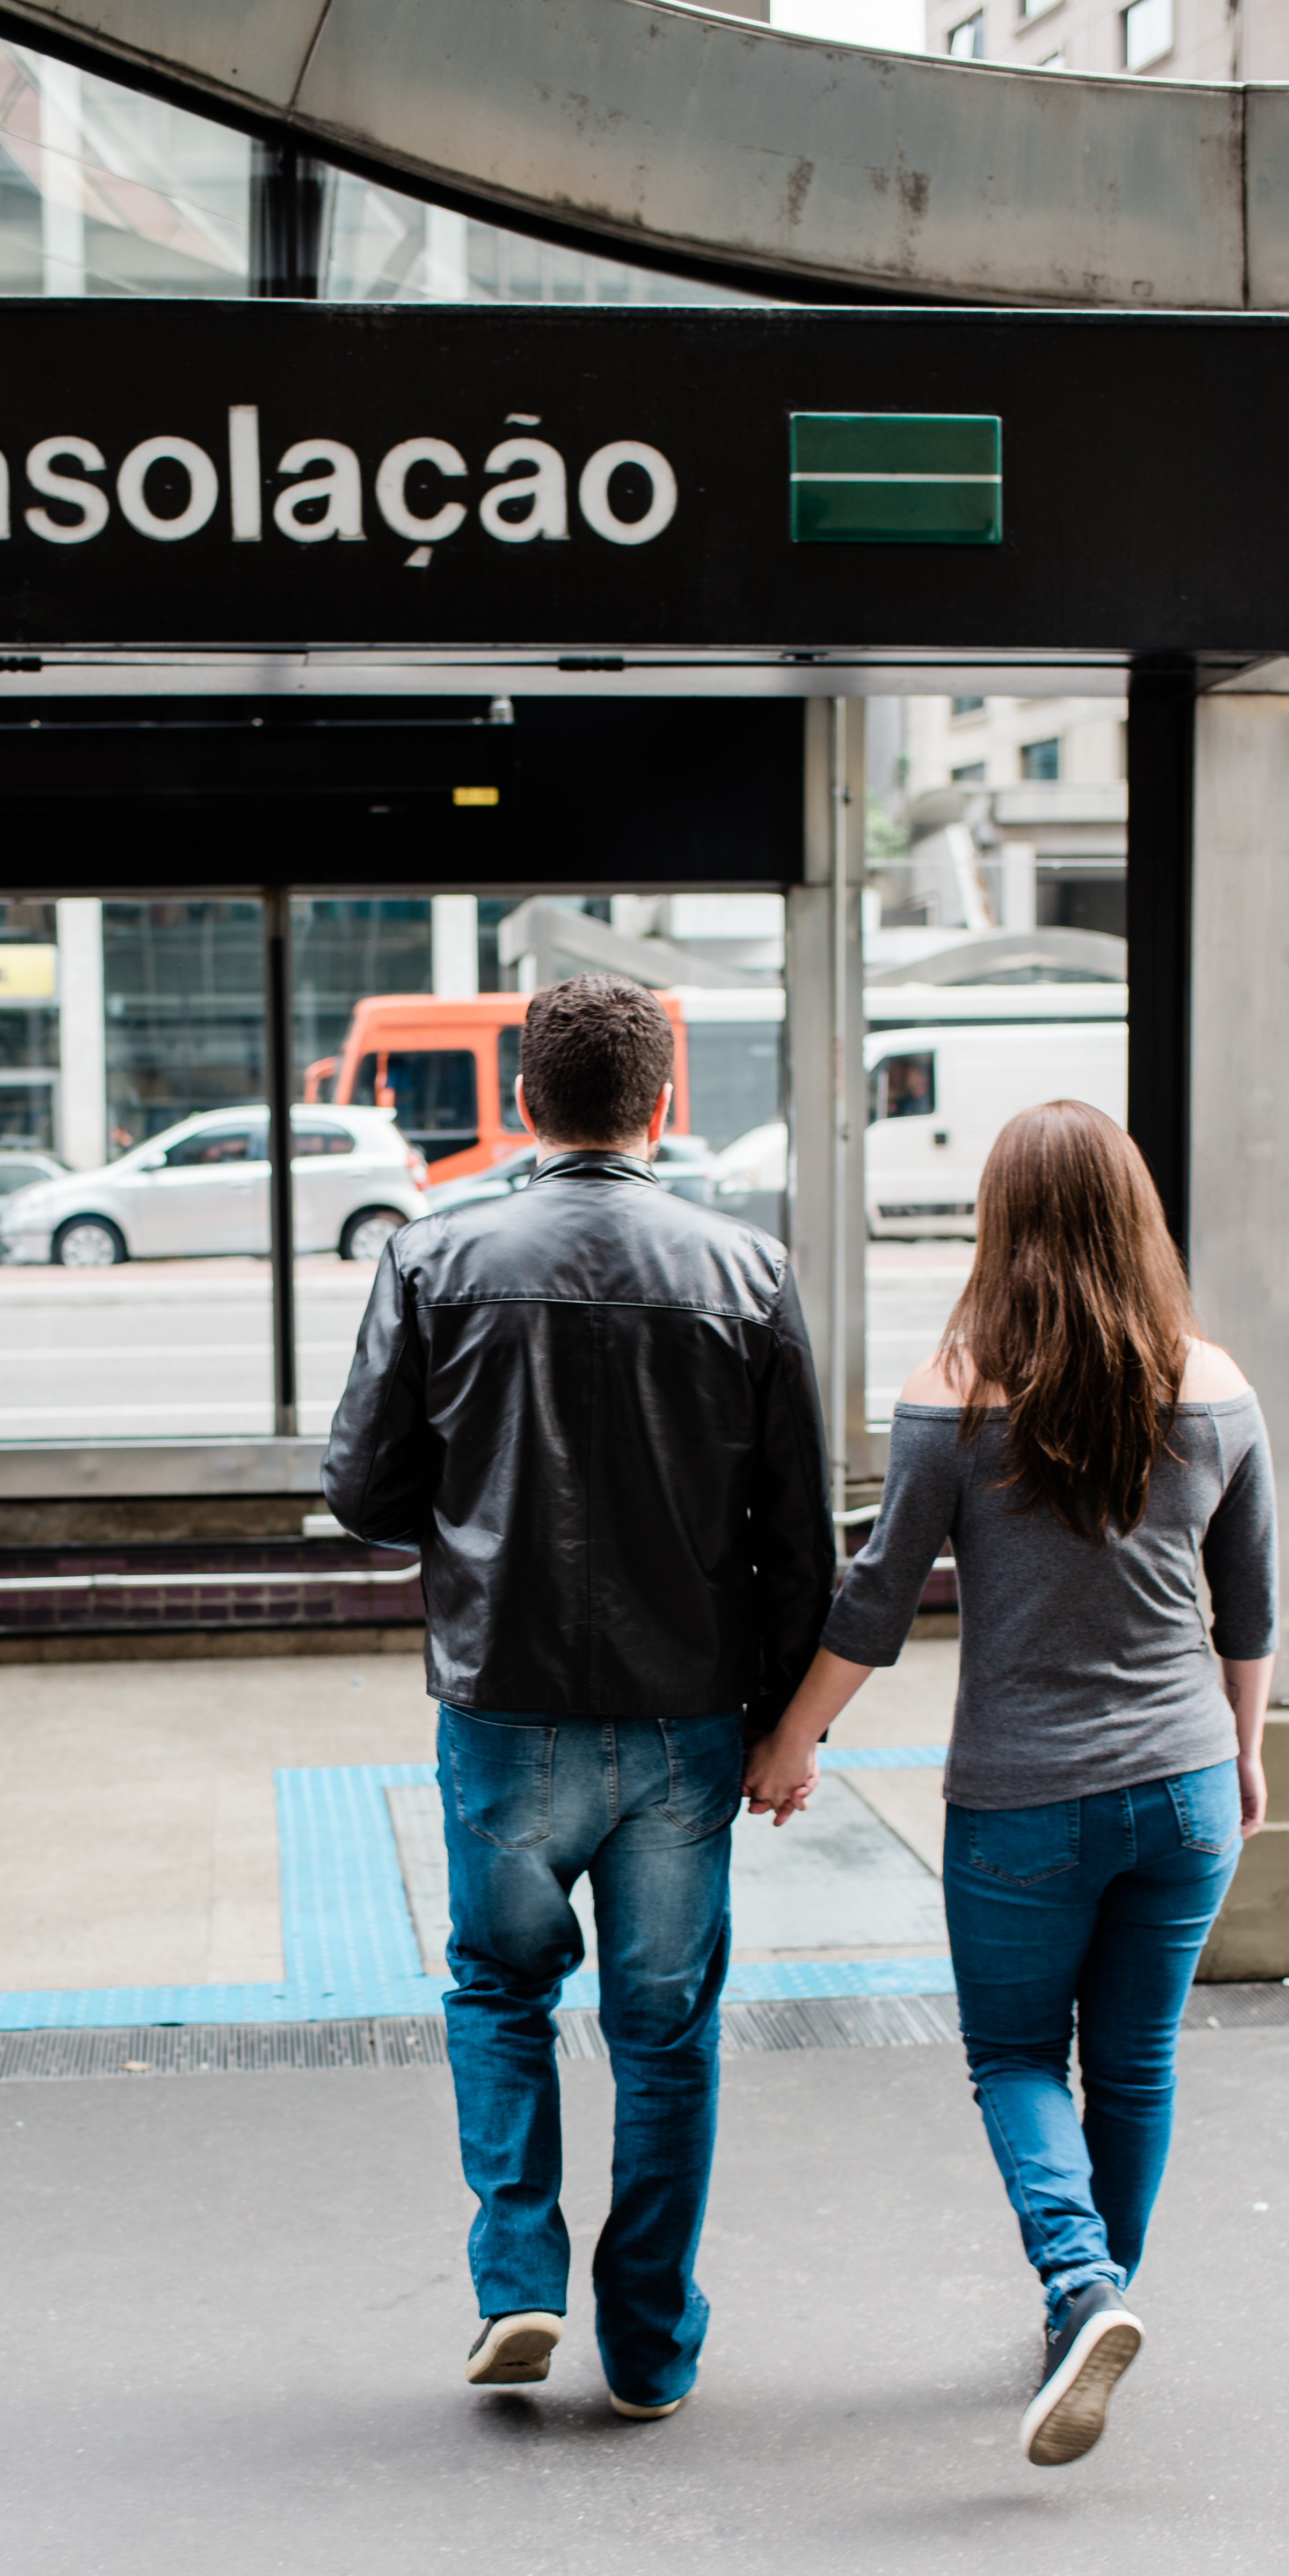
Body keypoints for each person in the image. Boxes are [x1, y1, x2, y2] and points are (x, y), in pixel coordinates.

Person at [323, 975, 834, 2418]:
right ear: (663, 1100)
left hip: (504, 1699)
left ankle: (519, 2285)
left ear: (519, 1101)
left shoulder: (435, 1254)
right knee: (664, 2027)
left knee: (499, 1987)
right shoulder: (748, 1269)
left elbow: (363, 1484)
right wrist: (778, 1721)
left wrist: (476, 1501)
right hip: (687, 1714)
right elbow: (802, 1535)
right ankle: (653, 2342)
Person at [745, 1102, 1277, 2468]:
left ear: (1001, 1224)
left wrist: (793, 1739)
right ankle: (1088, 2309)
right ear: (1134, 1218)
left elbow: (874, 1603)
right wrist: (1247, 1752)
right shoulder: (1217, 1386)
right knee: (1138, 2061)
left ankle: (1081, 2288)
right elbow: (1251, 1608)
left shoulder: (955, 1391)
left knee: (1017, 2058)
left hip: (1022, 1799)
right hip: (1185, 1788)